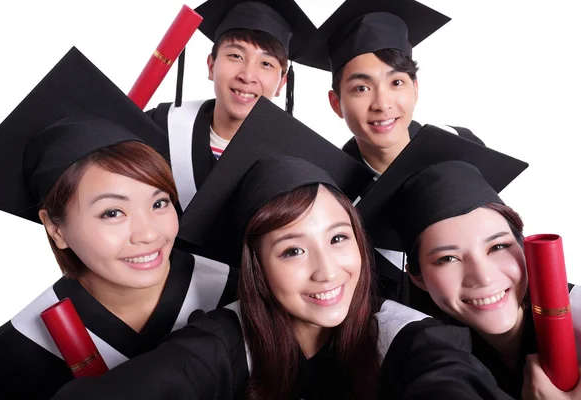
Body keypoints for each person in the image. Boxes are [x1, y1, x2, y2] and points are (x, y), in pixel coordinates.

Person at [53, 97, 511, 399]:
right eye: (292, 250)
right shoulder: (222, 341)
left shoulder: (407, 335)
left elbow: (447, 378)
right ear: (257, 267)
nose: (328, 271)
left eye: (338, 238)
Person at [0, 47, 236, 399]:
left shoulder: (236, 295)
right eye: (112, 212)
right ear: (56, 229)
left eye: (160, 202)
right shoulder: (11, 357)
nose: (148, 233)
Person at [356, 124, 581, 398]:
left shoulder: (575, 319)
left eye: (498, 246)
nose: (483, 277)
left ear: (523, 247)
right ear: (417, 277)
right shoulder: (422, 358)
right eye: (448, 258)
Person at [294, 0, 485, 301]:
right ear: (335, 103)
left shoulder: (461, 148)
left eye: (396, 82)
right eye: (361, 88)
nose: (382, 104)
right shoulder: (329, 195)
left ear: (415, 89)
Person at [145, 0, 316, 212]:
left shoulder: (299, 160)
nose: (247, 76)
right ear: (211, 65)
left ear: (282, 83)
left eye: (266, 63)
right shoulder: (160, 127)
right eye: (235, 56)